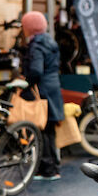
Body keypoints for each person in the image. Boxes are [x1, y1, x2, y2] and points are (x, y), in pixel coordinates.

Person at [20, 11, 64, 181]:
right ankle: (54, 167)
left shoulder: (36, 44)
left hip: (42, 91)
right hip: (53, 88)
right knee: (49, 130)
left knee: (42, 130)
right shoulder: (50, 41)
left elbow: (36, 70)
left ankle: (46, 170)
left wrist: (26, 82)